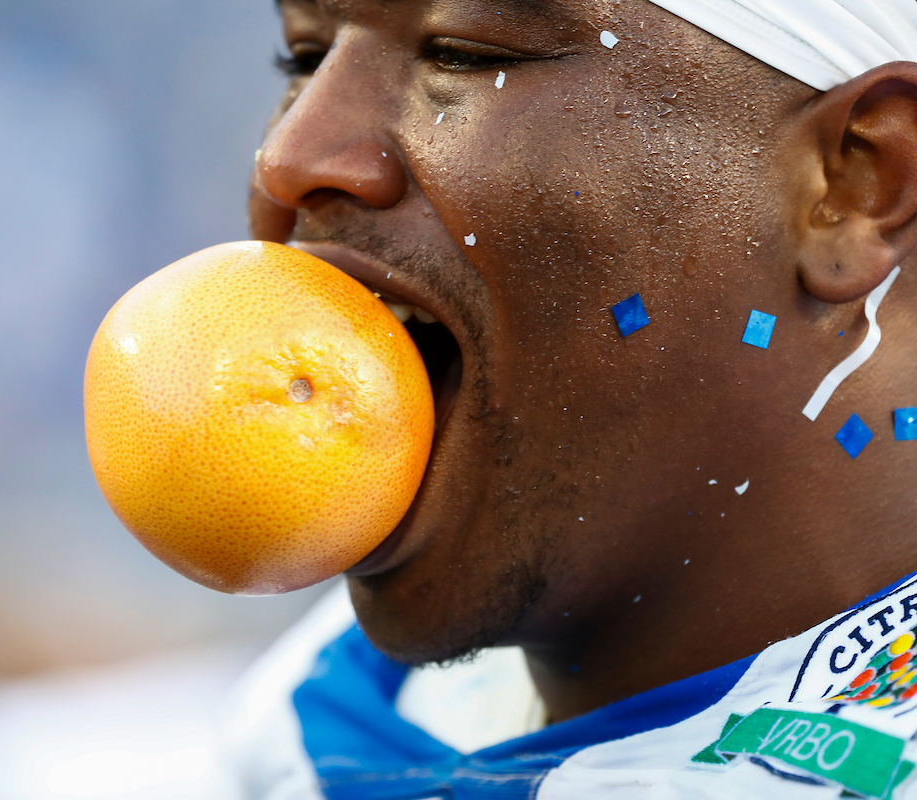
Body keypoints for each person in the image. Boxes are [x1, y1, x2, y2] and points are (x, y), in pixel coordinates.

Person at [225, 0, 917, 797]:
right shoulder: (315, 709)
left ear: (853, 181)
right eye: (304, 58)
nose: (287, 157)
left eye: (461, 52)